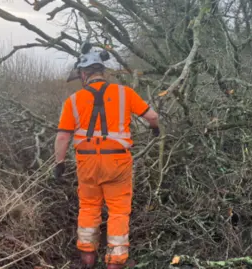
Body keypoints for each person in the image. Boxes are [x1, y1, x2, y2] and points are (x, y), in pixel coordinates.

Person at [53, 43, 160, 269]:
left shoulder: (73, 100)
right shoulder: (125, 93)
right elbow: (152, 116)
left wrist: (59, 163)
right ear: (103, 71)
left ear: (84, 74)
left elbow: (63, 137)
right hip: (118, 162)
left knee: (89, 206)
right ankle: (115, 263)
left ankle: (87, 259)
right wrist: (155, 128)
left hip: (87, 162)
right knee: (118, 210)